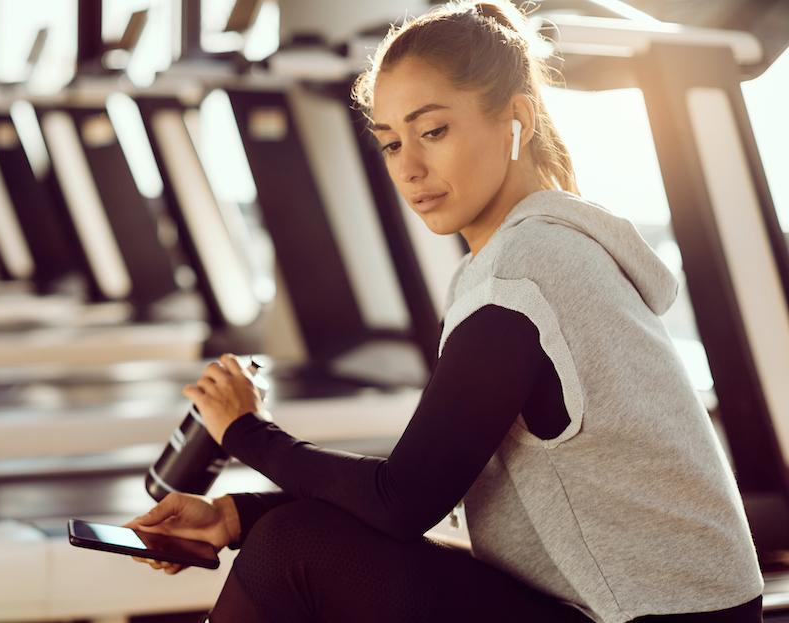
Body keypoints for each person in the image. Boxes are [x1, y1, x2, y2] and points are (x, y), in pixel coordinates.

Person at [124, 0, 767, 621]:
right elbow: (438, 478)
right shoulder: (531, 254)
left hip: (646, 617)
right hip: (639, 608)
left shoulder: (524, 274)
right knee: (288, 534)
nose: (410, 168)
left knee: (293, 551)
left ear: (518, 117)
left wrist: (245, 433)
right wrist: (238, 516)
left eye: (432, 131)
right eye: (391, 143)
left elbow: (405, 502)